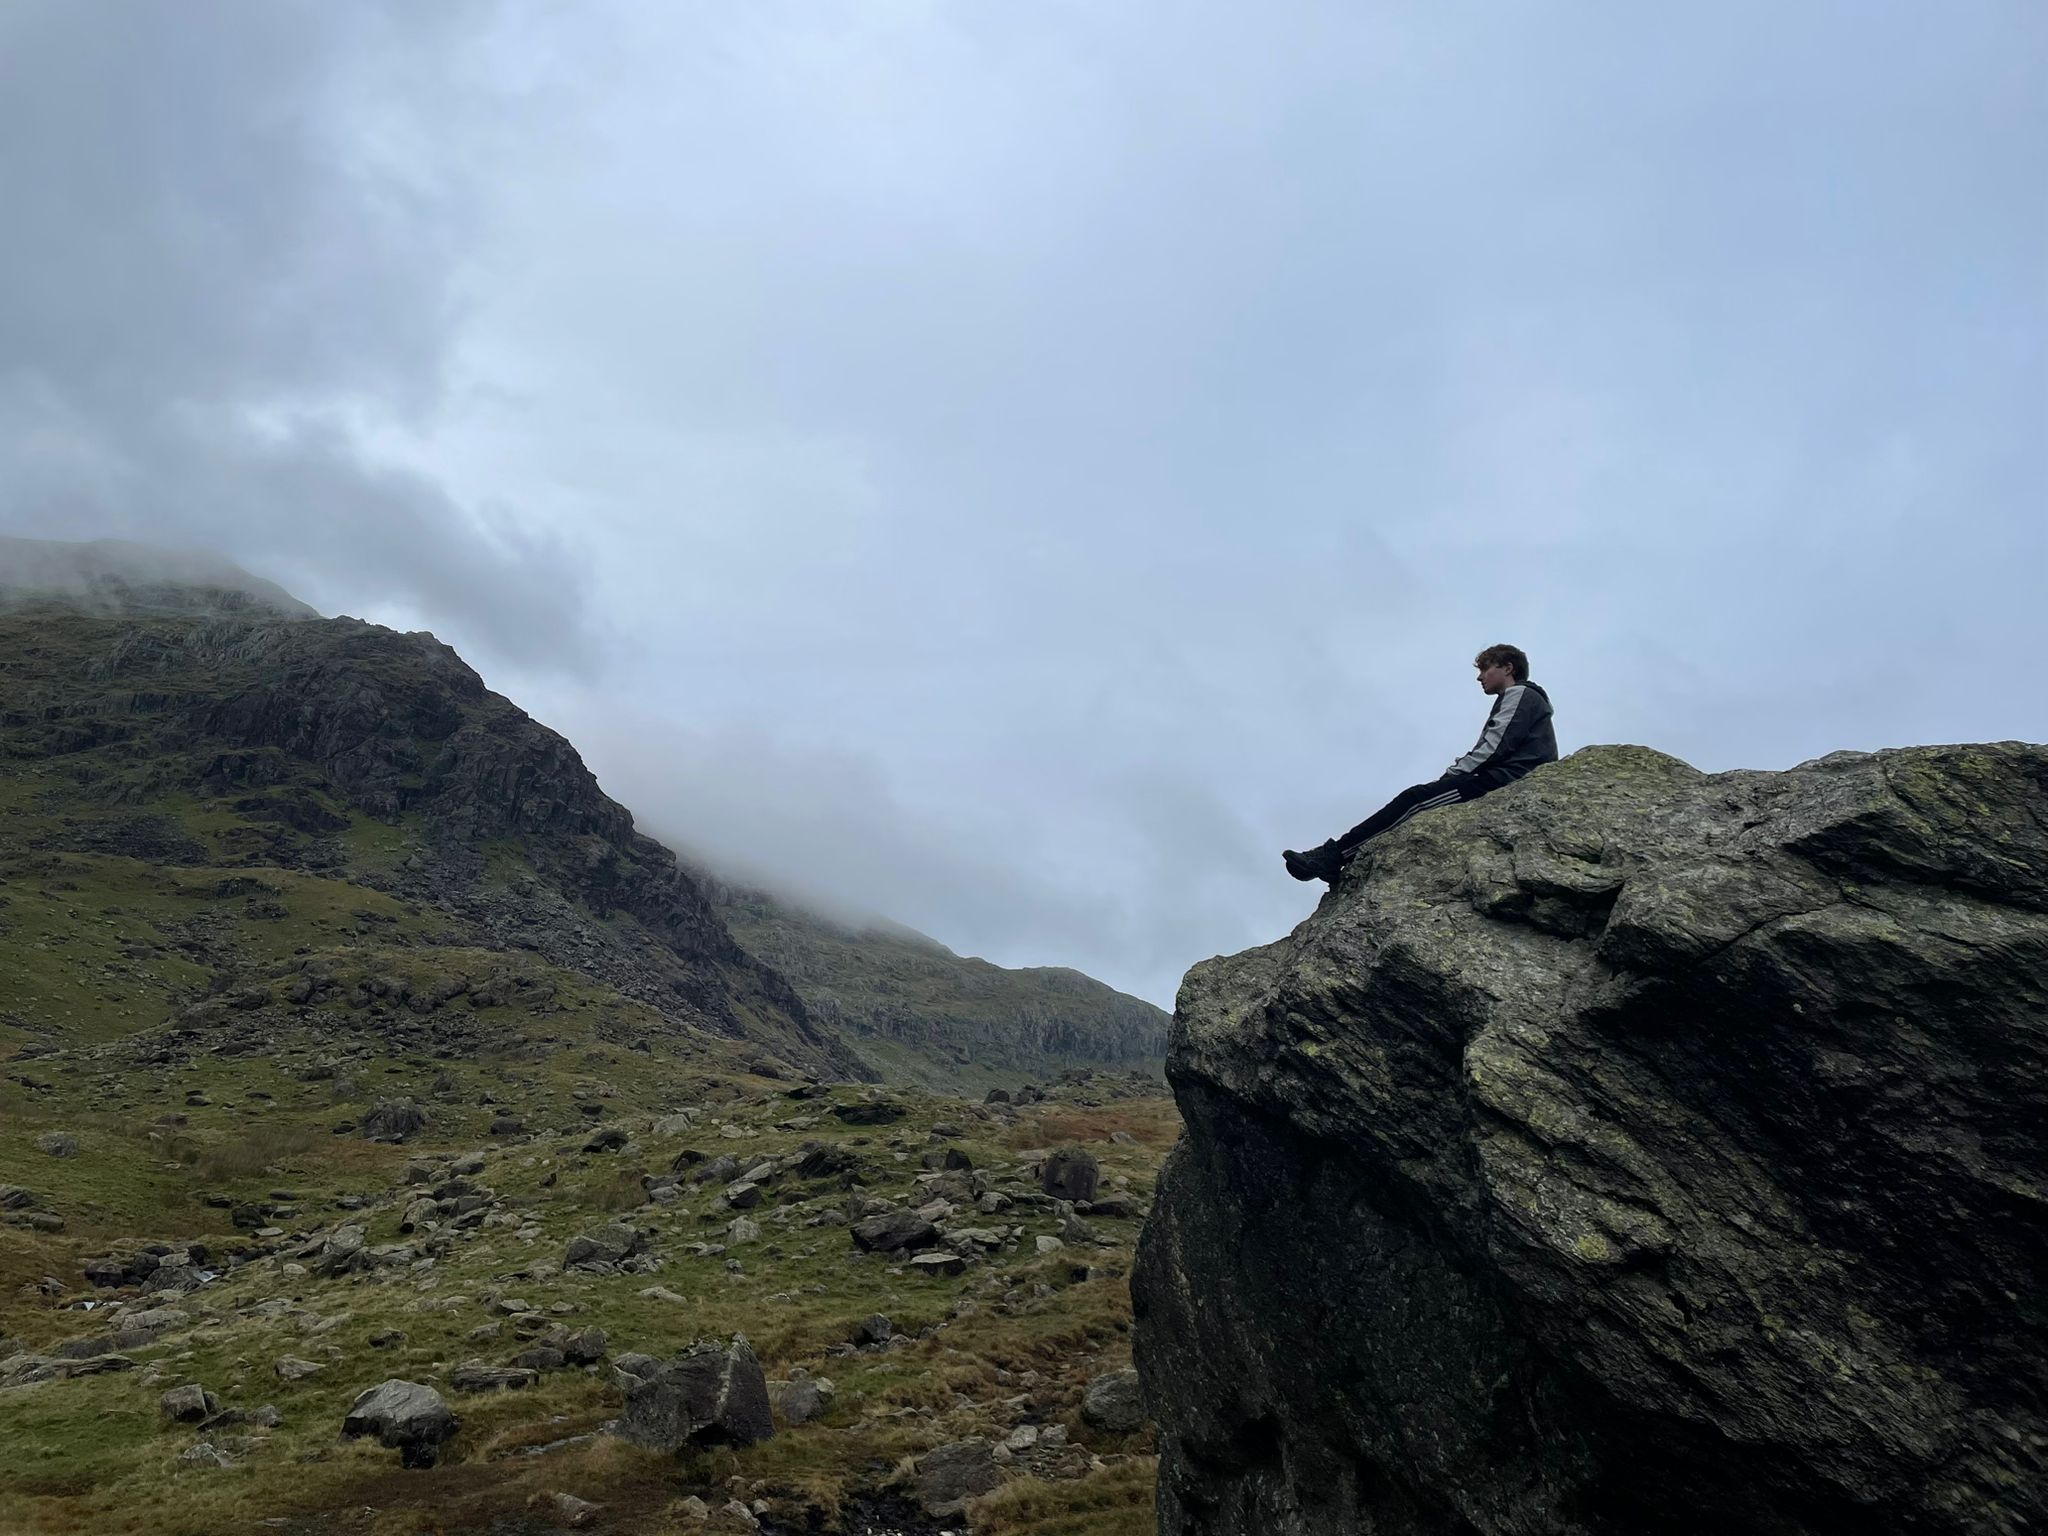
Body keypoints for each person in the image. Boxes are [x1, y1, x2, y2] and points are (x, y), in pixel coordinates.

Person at [1284, 645, 1557, 883]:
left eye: (1486, 668)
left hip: (1504, 781)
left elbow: (1495, 745)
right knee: (1417, 799)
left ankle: (1332, 857)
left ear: (1508, 668)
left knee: (1415, 800)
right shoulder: (1523, 698)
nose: (1479, 676)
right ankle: (1341, 856)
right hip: (1509, 778)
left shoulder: (1519, 694)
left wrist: (1452, 775)